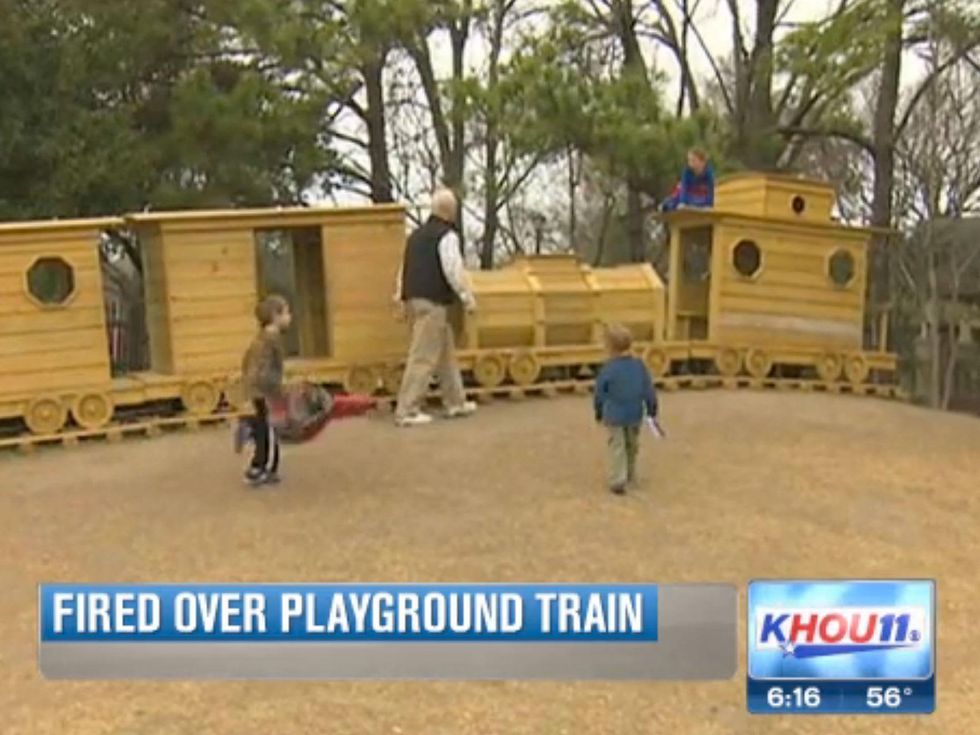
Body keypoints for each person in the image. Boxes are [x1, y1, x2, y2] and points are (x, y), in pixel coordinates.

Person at [392, 188, 478, 427]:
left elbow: (403, 269)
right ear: (450, 211)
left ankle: (456, 401)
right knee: (423, 357)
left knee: (445, 353)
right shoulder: (447, 236)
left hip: (414, 300)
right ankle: (407, 410)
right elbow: (453, 270)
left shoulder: (415, 236)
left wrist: (399, 296)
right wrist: (467, 298)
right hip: (433, 302)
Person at [593, 324, 658, 495]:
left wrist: (598, 411)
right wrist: (652, 410)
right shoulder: (639, 366)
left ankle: (617, 479)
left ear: (610, 347)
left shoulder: (608, 368)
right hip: (634, 413)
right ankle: (630, 474)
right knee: (632, 444)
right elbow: (649, 391)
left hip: (614, 414)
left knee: (617, 445)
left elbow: (600, 392)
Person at [239, 294, 291, 486]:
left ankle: (258, 465)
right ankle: (263, 468)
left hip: (257, 391)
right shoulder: (271, 340)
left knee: (261, 429)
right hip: (265, 392)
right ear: (275, 316)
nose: (289, 317)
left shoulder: (260, 339)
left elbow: (247, 364)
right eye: (286, 313)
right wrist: (277, 389)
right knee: (269, 430)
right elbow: (267, 369)